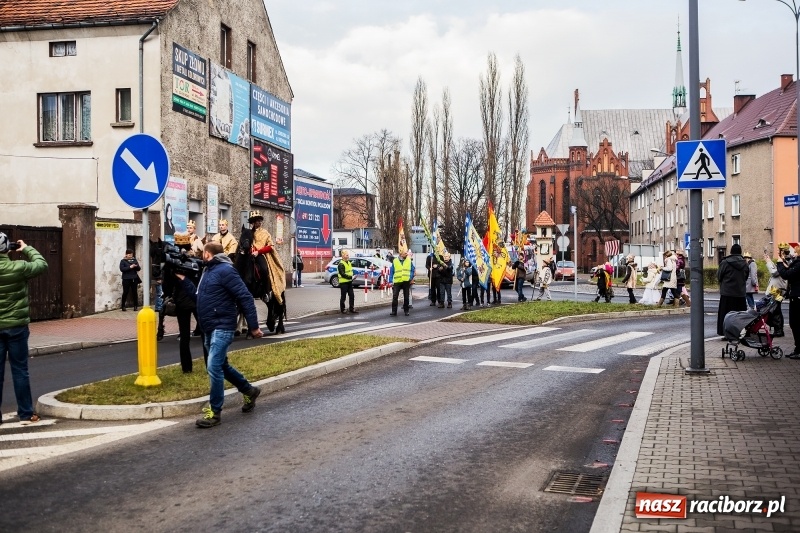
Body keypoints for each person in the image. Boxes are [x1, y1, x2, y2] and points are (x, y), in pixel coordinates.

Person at [176, 241, 263, 428]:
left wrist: (254, 326)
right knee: (221, 366)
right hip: (209, 326)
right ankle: (249, 391)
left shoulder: (226, 270)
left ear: (208, 254)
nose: (200, 256)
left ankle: (214, 412)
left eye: (202, 254)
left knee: (213, 366)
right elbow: (199, 298)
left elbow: (245, 297)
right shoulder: (208, 272)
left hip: (222, 325)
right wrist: (184, 281)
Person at [0, 233, 48, 425]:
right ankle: (26, 414)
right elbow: (42, 264)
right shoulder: (18, 267)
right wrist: (26, 248)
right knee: (20, 370)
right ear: (7, 248)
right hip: (17, 327)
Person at [717, 244, 749, 336]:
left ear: (731, 251)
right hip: (740, 293)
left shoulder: (725, 262)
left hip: (727, 293)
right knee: (740, 316)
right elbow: (746, 277)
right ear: (740, 252)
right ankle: (739, 332)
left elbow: (719, 276)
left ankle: (725, 332)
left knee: (725, 315)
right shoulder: (745, 264)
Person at [764, 244, 789, 337]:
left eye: (779, 251)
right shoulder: (784, 260)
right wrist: (769, 260)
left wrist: (768, 262)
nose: (778, 252)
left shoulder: (784, 260)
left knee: (775, 311)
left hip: (777, 290)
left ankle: (778, 330)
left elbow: (775, 272)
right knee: (775, 310)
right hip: (777, 289)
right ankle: (778, 329)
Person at [389, 249, 414, 316]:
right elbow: (391, 272)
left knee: (406, 297)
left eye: (406, 253)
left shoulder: (408, 260)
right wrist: (390, 281)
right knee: (395, 296)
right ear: (401, 254)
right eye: (405, 253)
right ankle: (394, 311)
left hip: (406, 281)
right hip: (397, 281)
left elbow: (412, 269)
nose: (406, 254)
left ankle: (406, 311)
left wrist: (410, 277)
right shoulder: (395, 261)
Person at [338, 250, 358, 314]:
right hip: (343, 283)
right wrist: (351, 277)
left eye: (348, 255)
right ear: (343, 256)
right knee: (343, 296)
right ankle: (343, 309)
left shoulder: (348, 262)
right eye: (346, 255)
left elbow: (350, 271)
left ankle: (351, 308)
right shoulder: (341, 264)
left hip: (349, 282)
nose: (348, 256)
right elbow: (342, 274)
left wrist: (353, 276)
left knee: (352, 295)